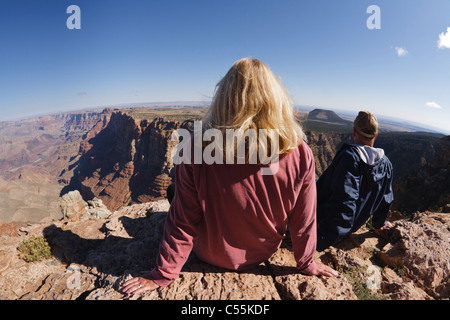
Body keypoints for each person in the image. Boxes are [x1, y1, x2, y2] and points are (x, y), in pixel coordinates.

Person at [122, 58, 338, 295]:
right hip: (262, 252)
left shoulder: (195, 147)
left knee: (175, 192)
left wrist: (162, 275)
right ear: (275, 100)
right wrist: (307, 263)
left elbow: (183, 220)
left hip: (209, 253)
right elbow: (304, 219)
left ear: (223, 98)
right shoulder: (299, 152)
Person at [316, 111, 394, 252]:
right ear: (376, 136)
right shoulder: (386, 163)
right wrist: (379, 223)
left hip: (326, 220)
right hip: (354, 223)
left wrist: (322, 238)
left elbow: (344, 200)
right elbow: (386, 198)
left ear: (354, 131)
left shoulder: (350, 158)